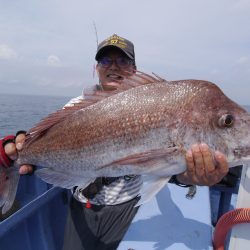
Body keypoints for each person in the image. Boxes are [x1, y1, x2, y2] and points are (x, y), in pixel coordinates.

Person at [0, 34, 229, 250]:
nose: (113, 66)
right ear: (96, 68)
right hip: (81, 205)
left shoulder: (153, 101)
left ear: (134, 69)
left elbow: (168, 166)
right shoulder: (76, 105)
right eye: (105, 60)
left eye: (123, 60)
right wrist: (18, 143)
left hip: (126, 208)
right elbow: (39, 137)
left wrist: (189, 175)